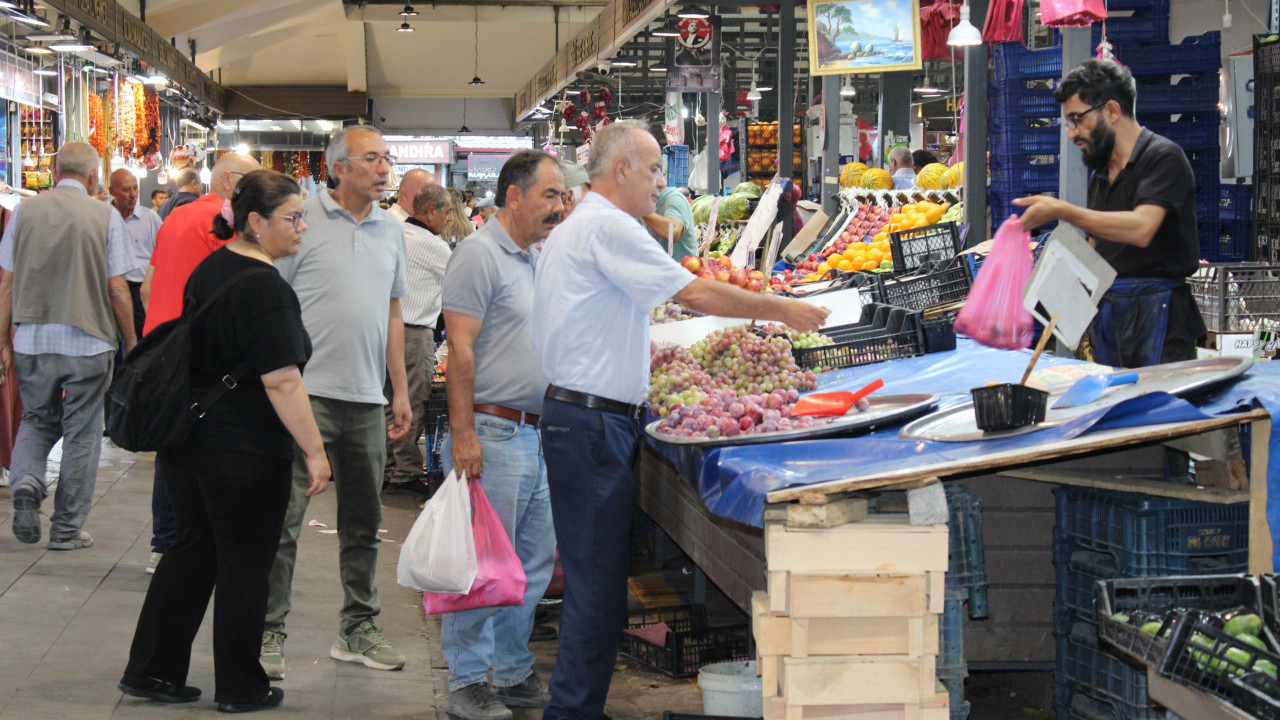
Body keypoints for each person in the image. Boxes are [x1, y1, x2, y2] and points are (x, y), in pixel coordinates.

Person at [530, 120, 829, 720]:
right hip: (590, 426)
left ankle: (577, 708)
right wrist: (781, 308)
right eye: (652, 170)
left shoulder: (583, 225)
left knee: (597, 582)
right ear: (620, 169)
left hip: (582, 419)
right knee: (597, 588)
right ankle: (571, 712)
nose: (659, 183)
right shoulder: (608, 226)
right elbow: (695, 294)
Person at [118, 169, 329, 714]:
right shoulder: (267, 289)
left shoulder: (212, 267)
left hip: (188, 441)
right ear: (256, 221)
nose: (302, 227)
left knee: (190, 551)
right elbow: (282, 381)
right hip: (244, 450)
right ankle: (240, 687)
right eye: (293, 217)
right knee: (245, 566)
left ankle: (152, 670)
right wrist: (315, 450)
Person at [261, 125, 412, 680]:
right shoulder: (302, 221)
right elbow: (273, 301)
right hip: (306, 398)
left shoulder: (391, 230)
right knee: (284, 522)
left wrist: (398, 389)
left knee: (364, 523)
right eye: (372, 158)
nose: (384, 168)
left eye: (386, 158)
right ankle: (268, 629)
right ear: (339, 167)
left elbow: (393, 312)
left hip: (366, 400)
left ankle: (358, 627)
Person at [439, 150, 562, 720]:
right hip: (492, 431)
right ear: (515, 196)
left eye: (561, 196)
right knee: (482, 567)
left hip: (535, 434)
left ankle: (512, 671)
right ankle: (467, 680)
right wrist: (463, 432)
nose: (558, 207)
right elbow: (460, 349)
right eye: (549, 195)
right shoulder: (479, 254)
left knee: (531, 566)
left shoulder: (533, 257)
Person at [1013, 59, 1205, 368]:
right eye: (1069, 123)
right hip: (1111, 321)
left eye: (1077, 119)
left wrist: (1063, 210)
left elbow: (1142, 228)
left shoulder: (1163, 158)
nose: (1072, 134)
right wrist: (1041, 286)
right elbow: (1096, 250)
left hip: (1162, 320)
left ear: (1112, 111)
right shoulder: (1101, 176)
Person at [0, 142, 137, 549]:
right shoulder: (105, 216)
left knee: (36, 419)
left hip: (32, 339)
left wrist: (2, 339)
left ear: (56, 172)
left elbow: (6, 282)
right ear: (94, 177)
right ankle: (65, 529)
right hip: (89, 341)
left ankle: (27, 481)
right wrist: (132, 341)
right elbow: (117, 288)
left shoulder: (23, 213)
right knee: (83, 432)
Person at [137, 152, 260, 575]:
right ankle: (194, 545)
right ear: (228, 181)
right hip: (200, 354)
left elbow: (148, 287)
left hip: (163, 348)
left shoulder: (175, 218)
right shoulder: (224, 224)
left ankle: (164, 544)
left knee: (171, 447)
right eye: (251, 181)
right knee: (206, 449)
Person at [384, 183, 452, 498]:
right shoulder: (433, 245)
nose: (450, 219)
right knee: (411, 402)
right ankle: (405, 472)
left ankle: (386, 468)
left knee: (388, 402)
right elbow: (460, 283)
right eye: (447, 212)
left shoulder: (395, 232)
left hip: (386, 328)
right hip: (412, 332)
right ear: (430, 212)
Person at [110, 168, 163, 341]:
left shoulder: (150, 218)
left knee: (143, 342)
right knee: (112, 341)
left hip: (141, 290)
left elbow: (162, 254)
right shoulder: (104, 218)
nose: (133, 195)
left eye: (135, 188)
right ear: (112, 191)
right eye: (126, 190)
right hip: (110, 289)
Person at [642, 186, 697, 261]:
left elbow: (673, 231)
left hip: (682, 267)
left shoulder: (675, 199)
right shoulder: (646, 201)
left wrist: (642, 210)